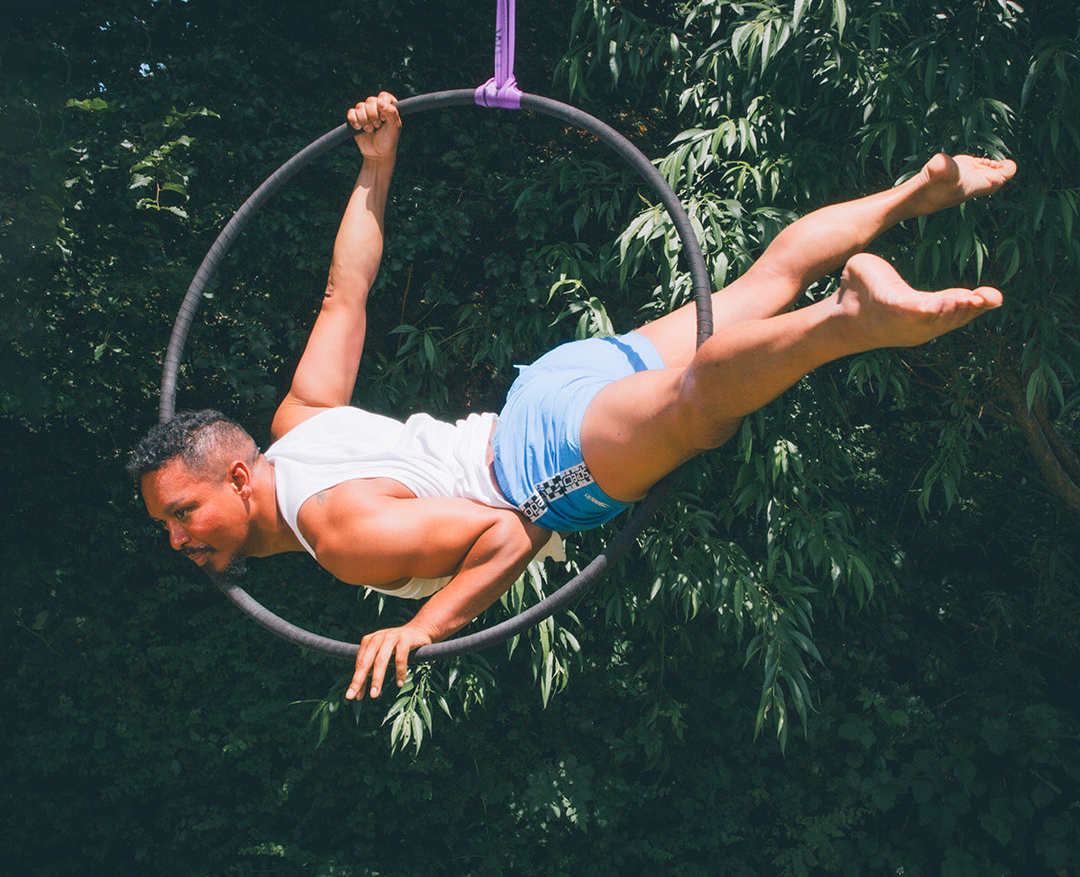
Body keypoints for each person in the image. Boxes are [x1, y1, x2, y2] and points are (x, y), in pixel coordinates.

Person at [129, 92, 1016, 702]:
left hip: (541, 467)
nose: (175, 539)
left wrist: (424, 627)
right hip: (547, 389)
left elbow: (510, 532)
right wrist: (377, 164)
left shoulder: (336, 535)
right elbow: (345, 293)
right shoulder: (297, 421)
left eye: (181, 512)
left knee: (698, 405)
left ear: (238, 478)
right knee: (757, 286)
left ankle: (847, 319)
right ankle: (915, 192)